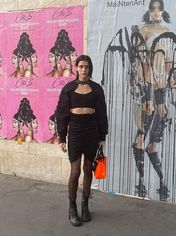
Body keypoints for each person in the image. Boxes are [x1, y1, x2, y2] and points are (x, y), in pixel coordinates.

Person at [130, 0, 176, 200]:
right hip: (147, 86)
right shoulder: (142, 31)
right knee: (142, 132)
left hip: (161, 86)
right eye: (153, 8)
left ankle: (160, 183)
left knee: (160, 124)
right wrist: (145, 87)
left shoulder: (167, 31)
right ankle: (141, 183)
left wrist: (171, 77)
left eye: (159, 8)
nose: (156, 11)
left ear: (163, 11)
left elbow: (168, 60)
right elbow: (138, 61)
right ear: (149, 11)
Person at [56, 55, 108, 226]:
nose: (84, 70)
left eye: (87, 67)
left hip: (92, 130)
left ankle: (85, 205)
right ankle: (72, 207)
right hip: (76, 130)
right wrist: (62, 137)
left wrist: (102, 137)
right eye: (81, 66)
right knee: (75, 171)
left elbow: (101, 114)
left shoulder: (97, 89)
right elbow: (62, 114)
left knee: (88, 169)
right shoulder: (68, 89)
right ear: (76, 68)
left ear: (90, 69)